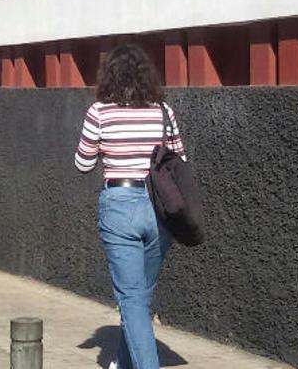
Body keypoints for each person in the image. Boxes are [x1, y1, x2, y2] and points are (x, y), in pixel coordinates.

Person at [74, 44, 186, 369]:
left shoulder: (99, 112)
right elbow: (180, 159)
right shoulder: (163, 112)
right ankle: (123, 362)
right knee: (139, 297)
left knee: (132, 299)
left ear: (108, 77)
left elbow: (82, 163)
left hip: (119, 206)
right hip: (159, 210)